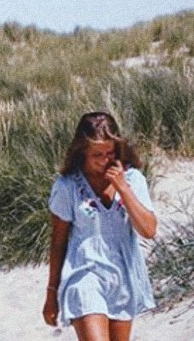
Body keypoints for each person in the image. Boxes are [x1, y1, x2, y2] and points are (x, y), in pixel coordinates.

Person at [42, 112, 157, 341]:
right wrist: (52, 293)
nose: (105, 160)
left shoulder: (133, 180)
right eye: (97, 155)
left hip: (123, 277)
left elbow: (148, 230)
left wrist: (123, 188)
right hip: (84, 274)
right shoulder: (67, 186)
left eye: (109, 153)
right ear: (82, 151)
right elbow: (58, 242)